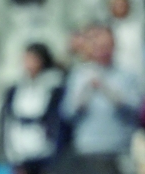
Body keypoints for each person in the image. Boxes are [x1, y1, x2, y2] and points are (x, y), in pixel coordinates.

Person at [61, 24, 143, 157]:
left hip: (119, 146)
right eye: (97, 46)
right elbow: (67, 113)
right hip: (87, 147)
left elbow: (136, 110)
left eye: (106, 46)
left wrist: (106, 89)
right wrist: (85, 91)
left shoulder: (128, 75)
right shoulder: (78, 75)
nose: (102, 50)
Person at [1, 43, 66, 174]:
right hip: (21, 151)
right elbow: (8, 123)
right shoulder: (16, 89)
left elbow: (57, 123)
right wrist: (14, 162)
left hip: (45, 152)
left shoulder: (54, 86)